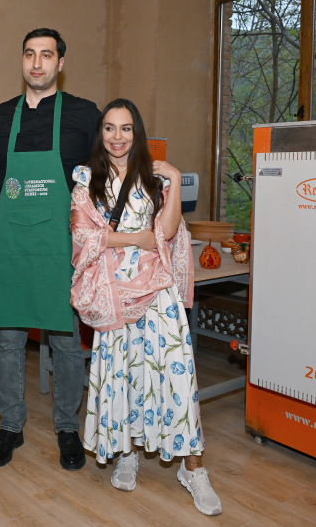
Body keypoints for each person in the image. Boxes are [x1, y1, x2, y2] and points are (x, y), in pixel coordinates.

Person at [69, 98, 223, 516]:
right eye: (109, 128)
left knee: (176, 377)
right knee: (123, 375)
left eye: (126, 128)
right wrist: (136, 239)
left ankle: (193, 468)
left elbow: (167, 232)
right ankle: (127, 452)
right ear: (100, 133)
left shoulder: (155, 180)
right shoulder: (86, 181)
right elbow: (82, 237)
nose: (117, 137)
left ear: (136, 133)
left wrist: (172, 176)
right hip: (114, 295)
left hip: (157, 293)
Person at [0, 28, 101, 471]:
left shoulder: (85, 115)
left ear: (59, 63)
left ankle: (67, 426)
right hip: (12, 243)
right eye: (30, 54)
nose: (37, 63)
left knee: (65, 340)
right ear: (23, 60)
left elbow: (99, 174)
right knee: (8, 341)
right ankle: (11, 425)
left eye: (46, 55)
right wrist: (21, 204)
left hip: (60, 246)